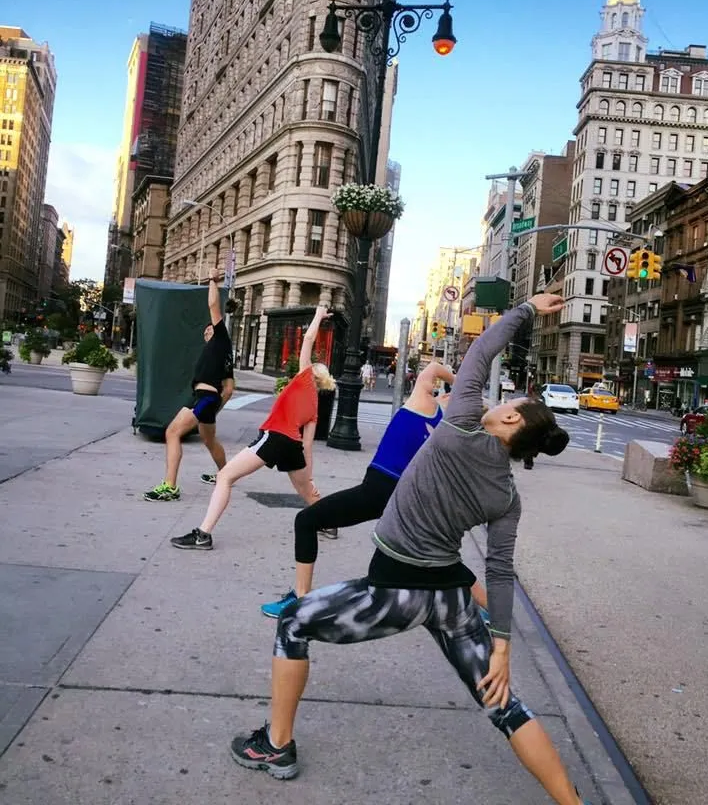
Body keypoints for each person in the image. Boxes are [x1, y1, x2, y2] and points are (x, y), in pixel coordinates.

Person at [229, 295, 591, 805]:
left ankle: (276, 745)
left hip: (396, 591)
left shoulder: (463, 422)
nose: (497, 402)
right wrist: (503, 648)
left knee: (293, 623)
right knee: (503, 704)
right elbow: (500, 570)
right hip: (451, 600)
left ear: (511, 424)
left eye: (507, 404)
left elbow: (482, 350)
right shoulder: (506, 495)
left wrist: (527, 308)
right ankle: (572, 803)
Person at [259, 361, 489, 619]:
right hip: (408, 499)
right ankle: (490, 609)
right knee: (438, 558)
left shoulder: (425, 404)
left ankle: (301, 602)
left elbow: (434, 367)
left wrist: (459, 382)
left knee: (306, 520)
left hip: (379, 488)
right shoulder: (449, 430)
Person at [170, 305, 335, 550]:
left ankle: (203, 534)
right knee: (306, 490)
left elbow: (309, 338)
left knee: (225, 476)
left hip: (274, 437)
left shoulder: (304, 376)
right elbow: (307, 445)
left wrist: (319, 316)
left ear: (312, 372)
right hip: (293, 446)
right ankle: (329, 523)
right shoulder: (314, 407)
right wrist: (308, 475)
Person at [144, 269, 235, 503]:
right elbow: (229, 388)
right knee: (209, 440)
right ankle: (226, 474)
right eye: (205, 330)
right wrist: (214, 408)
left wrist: (212, 280)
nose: (206, 331)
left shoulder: (220, 339)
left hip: (204, 397)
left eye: (209, 328)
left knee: (172, 432)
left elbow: (214, 304)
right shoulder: (221, 353)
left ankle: (170, 486)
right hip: (207, 399)